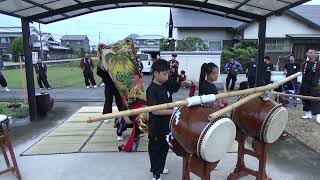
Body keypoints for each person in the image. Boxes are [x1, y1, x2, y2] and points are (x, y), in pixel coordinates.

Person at [147, 59, 179, 180]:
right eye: (164, 74)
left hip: (167, 123)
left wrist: (182, 80)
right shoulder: (151, 90)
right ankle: (156, 173)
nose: (167, 76)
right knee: (156, 149)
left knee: (165, 146)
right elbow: (154, 110)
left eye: (168, 74)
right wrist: (173, 111)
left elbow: (175, 87)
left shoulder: (166, 84)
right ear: (156, 73)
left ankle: (160, 167)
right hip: (156, 125)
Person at [300, 49, 320, 123]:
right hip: (305, 84)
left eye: (311, 53)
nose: (309, 54)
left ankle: (318, 116)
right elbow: (302, 73)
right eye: (308, 53)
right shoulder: (305, 63)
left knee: (316, 100)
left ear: (315, 54)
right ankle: (308, 114)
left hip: (315, 84)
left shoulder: (318, 63)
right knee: (305, 98)